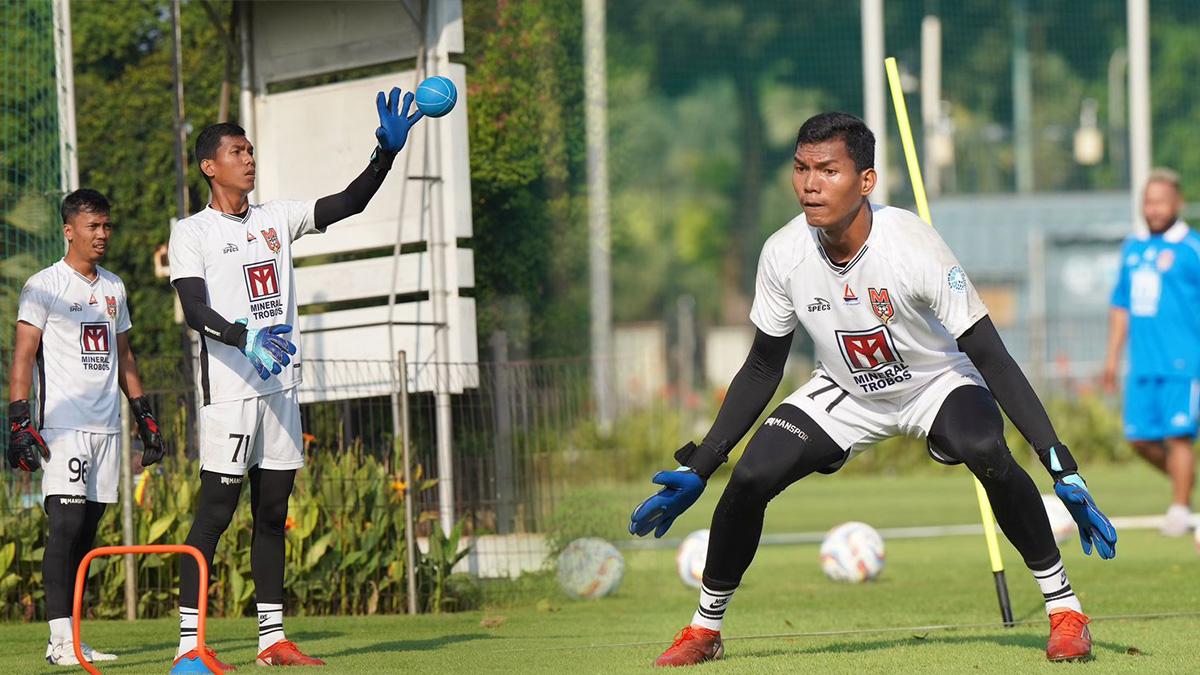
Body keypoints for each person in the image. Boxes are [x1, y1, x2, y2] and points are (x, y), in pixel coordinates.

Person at [629, 113, 1118, 667]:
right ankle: (705, 630)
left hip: (935, 382)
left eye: (828, 170)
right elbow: (764, 367)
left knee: (984, 447)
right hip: (844, 392)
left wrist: (1060, 464)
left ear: (866, 181)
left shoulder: (912, 245)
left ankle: (1065, 610)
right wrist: (702, 465)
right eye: (801, 169)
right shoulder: (783, 252)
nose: (810, 184)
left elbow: (991, 356)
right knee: (749, 478)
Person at [166, 87, 423, 672]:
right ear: (209, 167)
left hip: (280, 390)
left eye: (251, 150)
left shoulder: (276, 218)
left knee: (272, 514)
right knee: (214, 516)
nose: (249, 158)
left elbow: (350, 202)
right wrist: (245, 337)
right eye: (237, 152)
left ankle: (272, 641)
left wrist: (384, 154)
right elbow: (194, 310)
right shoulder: (192, 232)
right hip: (231, 393)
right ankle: (188, 648)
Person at [8, 189, 163, 666]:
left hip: (106, 430)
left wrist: (144, 417)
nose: (102, 234)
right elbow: (23, 355)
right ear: (68, 230)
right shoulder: (43, 285)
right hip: (63, 427)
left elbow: (125, 357)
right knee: (66, 525)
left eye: (106, 226)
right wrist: (19, 420)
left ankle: (72, 638)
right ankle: (59, 642)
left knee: (86, 535)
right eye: (93, 226)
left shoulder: (115, 287)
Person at [1102, 168, 1199, 537]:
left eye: (1160, 201)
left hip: (1183, 363)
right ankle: (1185, 484)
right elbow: (1121, 306)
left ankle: (1179, 508)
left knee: (1178, 436)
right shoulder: (1133, 248)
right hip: (1142, 364)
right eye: (1148, 201)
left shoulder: (1191, 248)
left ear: (1178, 203)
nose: (1153, 209)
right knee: (1139, 439)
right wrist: (1112, 358)